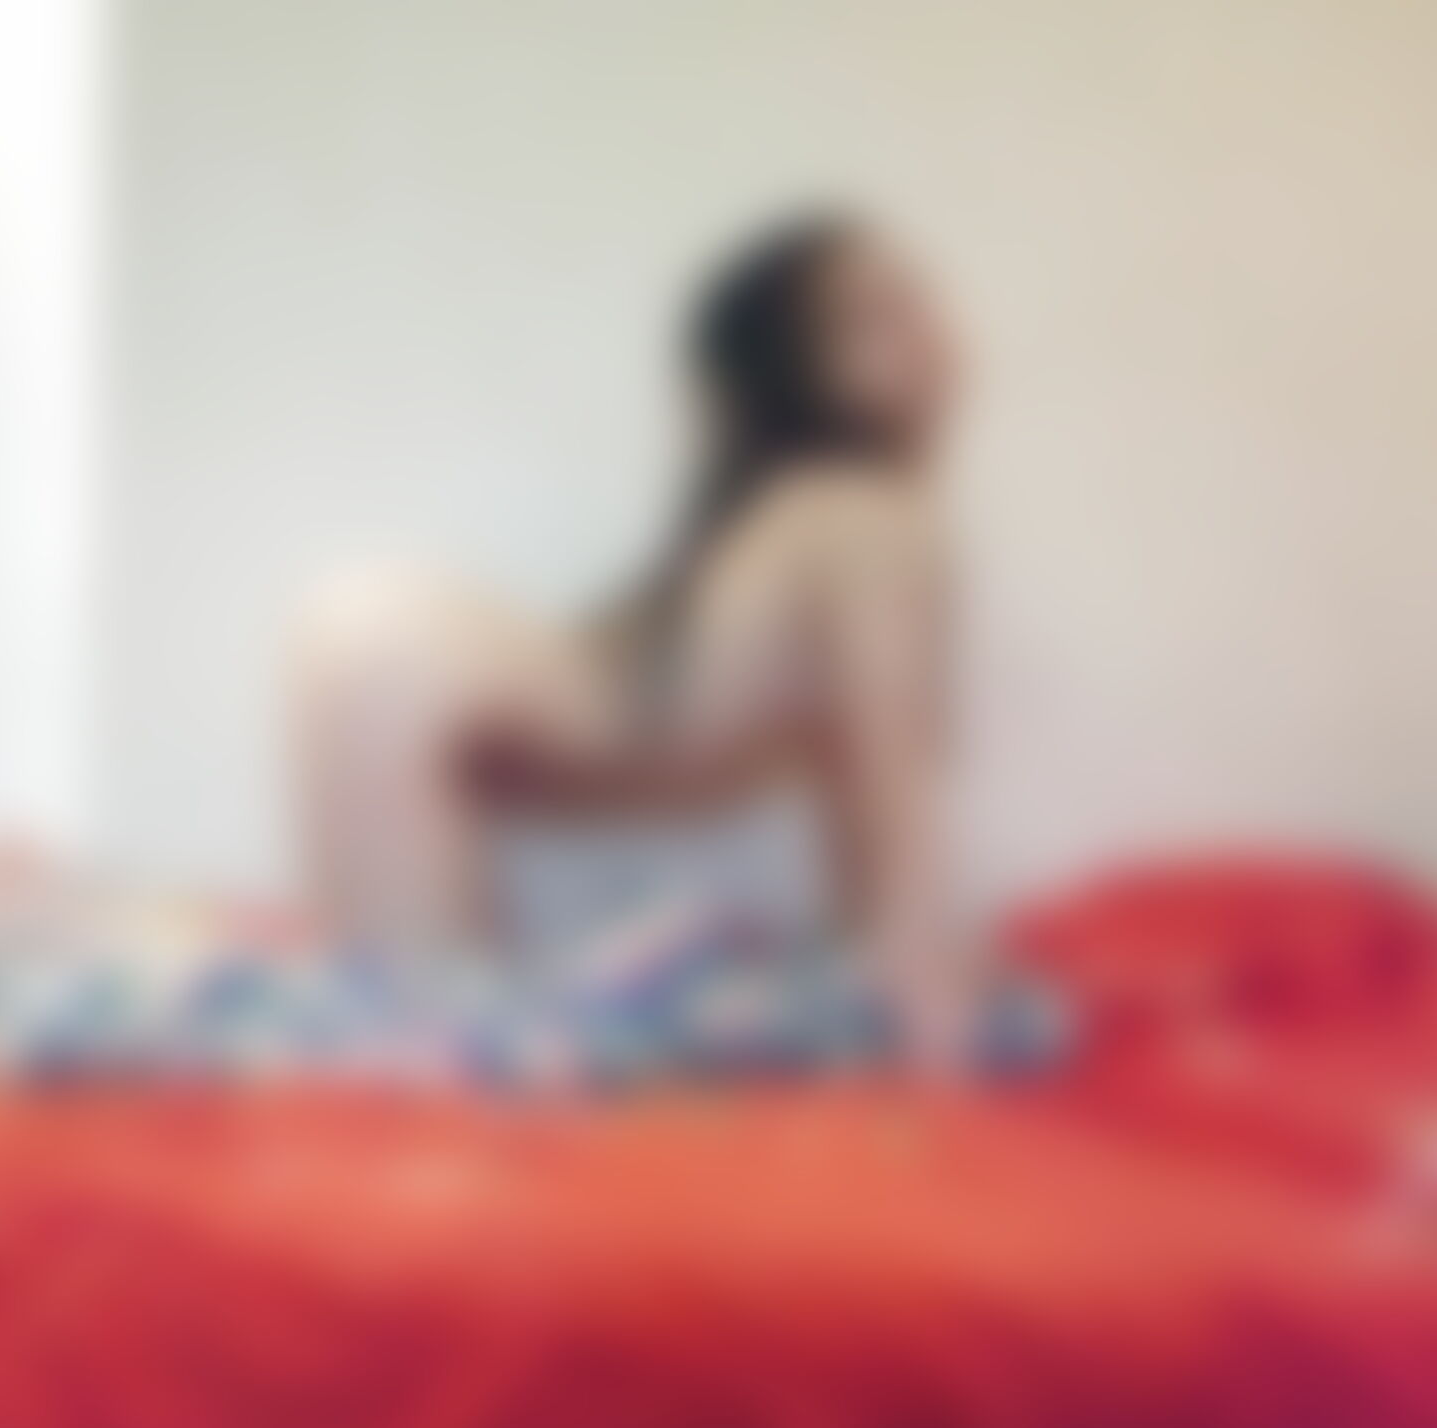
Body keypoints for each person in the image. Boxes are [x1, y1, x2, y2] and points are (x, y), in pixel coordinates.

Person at [288, 213, 974, 1071]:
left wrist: (894, 960)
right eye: (877, 317)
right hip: (395, 663)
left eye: (917, 298)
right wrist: (936, 1015)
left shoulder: (813, 518)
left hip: (382, 649)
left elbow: (867, 828)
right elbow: (898, 805)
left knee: (411, 1044)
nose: (927, 327)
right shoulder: (869, 515)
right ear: (797, 368)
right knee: (413, 1064)